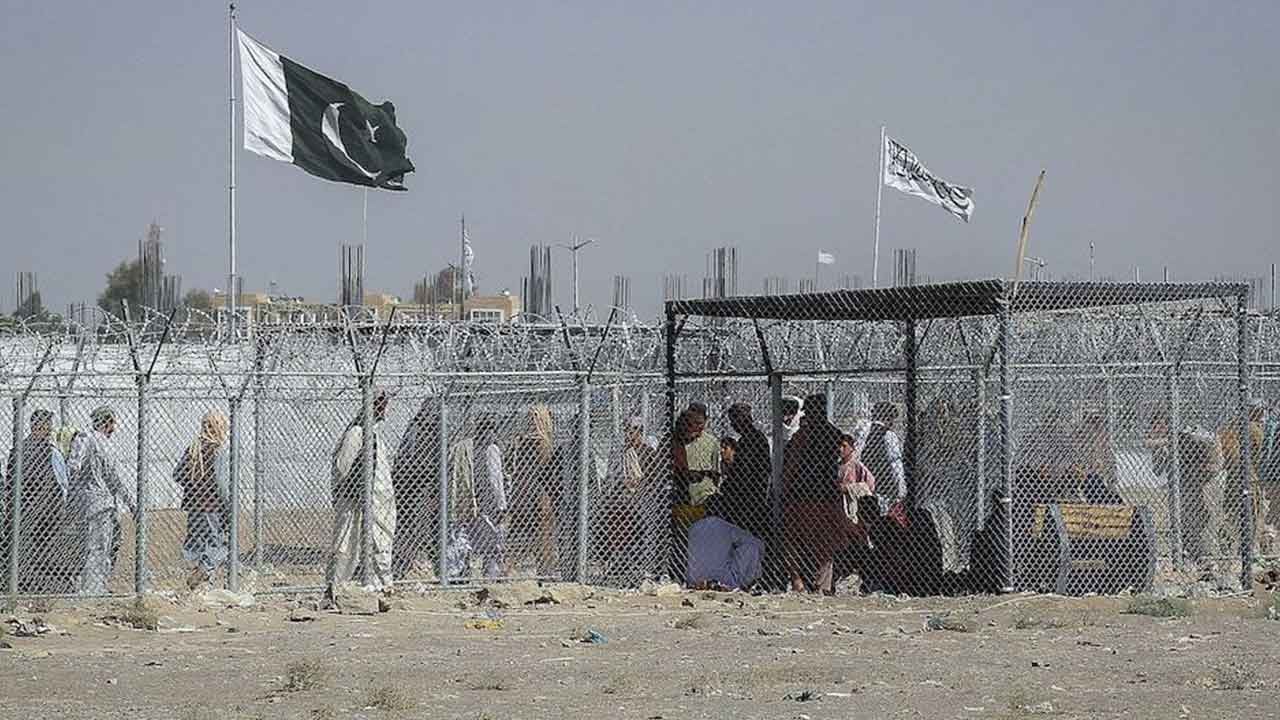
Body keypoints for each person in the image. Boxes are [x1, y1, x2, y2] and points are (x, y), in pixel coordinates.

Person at [782, 394, 860, 594]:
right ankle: (821, 585)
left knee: (796, 538)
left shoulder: (803, 435)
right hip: (824, 494)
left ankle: (799, 580)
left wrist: (785, 487)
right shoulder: (832, 433)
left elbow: (792, 464)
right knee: (824, 542)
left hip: (803, 495)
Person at [327, 391, 396, 593]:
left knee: (379, 541)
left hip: (377, 500)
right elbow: (343, 468)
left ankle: (380, 584)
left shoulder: (373, 434)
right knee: (346, 543)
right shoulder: (356, 433)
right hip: (354, 500)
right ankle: (336, 587)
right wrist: (354, 493)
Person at [4, 409, 71, 593]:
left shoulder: (20, 449)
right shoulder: (43, 450)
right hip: (41, 508)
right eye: (47, 426)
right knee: (37, 548)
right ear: (39, 426)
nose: (49, 430)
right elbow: (54, 482)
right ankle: (30, 586)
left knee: (28, 548)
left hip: (30, 508)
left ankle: (25, 584)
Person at [69, 406, 133, 596]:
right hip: (101, 501)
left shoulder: (84, 439)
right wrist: (131, 503)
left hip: (86, 501)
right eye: (112, 423)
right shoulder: (102, 444)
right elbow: (115, 478)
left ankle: (93, 585)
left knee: (92, 545)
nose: (114, 427)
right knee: (99, 546)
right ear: (106, 423)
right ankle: (93, 588)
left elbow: (73, 466)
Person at [1147, 410, 1223, 565]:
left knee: (1197, 521)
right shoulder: (1166, 444)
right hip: (1181, 487)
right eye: (1154, 426)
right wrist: (1162, 449)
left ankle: (1204, 555)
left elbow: (1207, 451)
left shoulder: (1183, 436)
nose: (1155, 430)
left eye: (1158, 426)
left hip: (1196, 485)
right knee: (1185, 522)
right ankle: (1194, 555)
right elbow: (1157, 470)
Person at [174, 411, 230, 590]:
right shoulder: (218, 450)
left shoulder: (194, 447)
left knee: (196, 541)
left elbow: (177, 474)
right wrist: (228, 506)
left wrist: (193, 484)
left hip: (193, 505)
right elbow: (221, 484)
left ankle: (197, 580)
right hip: (212, 505)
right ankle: (204, 572)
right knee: (217, 542)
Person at [390, 401, 441, 579]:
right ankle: (399, 567)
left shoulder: (420, 430)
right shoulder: (422, 432)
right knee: (412, 530)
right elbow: (417, 463)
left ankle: (404, 566)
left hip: (416, 487)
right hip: (415, 487)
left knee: (416, 530)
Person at [708, 403, 772, 542]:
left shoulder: (751, 440)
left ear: (743, 419)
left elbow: (744, 471)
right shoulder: (751, 438)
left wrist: (729, 485)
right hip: (750, 495)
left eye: (734, 420)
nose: (733, 425)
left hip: (748, 497)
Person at [507, 404, 557, 576]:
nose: (531, 422)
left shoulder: (543, 442)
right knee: (520, 534)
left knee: (542, 535)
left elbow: (546, 466)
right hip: (524, 491)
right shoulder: (523, 442)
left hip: (538, 494)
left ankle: (544, 571)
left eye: (534, 418)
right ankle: (509, 570)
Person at [1219, 403, 1269, 559]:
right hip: (1250, 476)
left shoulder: (1231, 425)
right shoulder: (1254, 428)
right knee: (1253, 512)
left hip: (1233, 475)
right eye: (1261, 412)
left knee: (1232, 510)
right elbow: (1262, 453)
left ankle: (1225, 535)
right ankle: (1246, 548)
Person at [472, 417, 508, 579]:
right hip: (492, 501)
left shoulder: (475, 448)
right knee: (495, 538)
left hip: (480, 498)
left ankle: (488, 571)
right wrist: (501, 504)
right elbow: (496, 479)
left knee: (483, 536)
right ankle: (492, 573)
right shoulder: (491, 449)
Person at [861, 402, 907, 516]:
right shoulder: (889, 436)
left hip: (866, 484)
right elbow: (895, 465)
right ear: (888, 418)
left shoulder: (863, 432)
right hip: (884, 486)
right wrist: (901, 488)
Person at [1074, 413, 1122, 505]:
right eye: (1092, 423)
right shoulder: (1082, 447)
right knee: (1094, 479)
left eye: (1099, 423)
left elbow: (1112, 474)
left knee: (1116, 499)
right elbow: (1076, 469)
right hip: (1088, 483)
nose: (1096, 427)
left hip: (1102, 486)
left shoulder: (1107, 451)